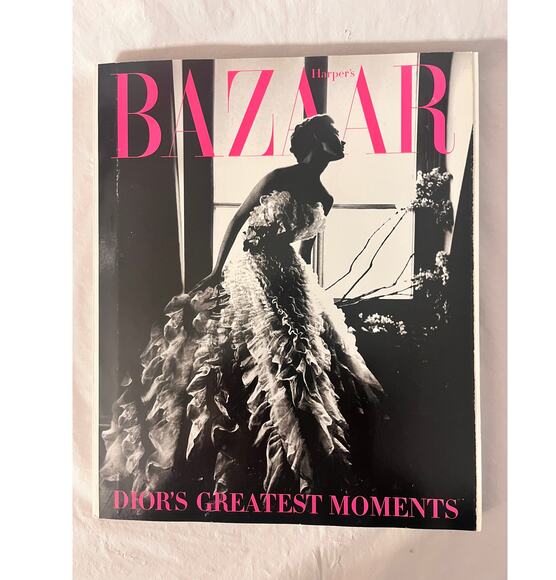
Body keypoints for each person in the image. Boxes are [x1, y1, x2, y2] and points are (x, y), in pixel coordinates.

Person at [100, 115, 385, 509]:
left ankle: (309, 456)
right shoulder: (278, 177)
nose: (343, 142)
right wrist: (217, 271)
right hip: (251, 269)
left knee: (301, 359)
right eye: (336, 135)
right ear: (317, 140)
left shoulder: (326, 198)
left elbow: (303, 250)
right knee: (246, 355)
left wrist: (304, 291)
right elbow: (237, 220)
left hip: (291, 275)